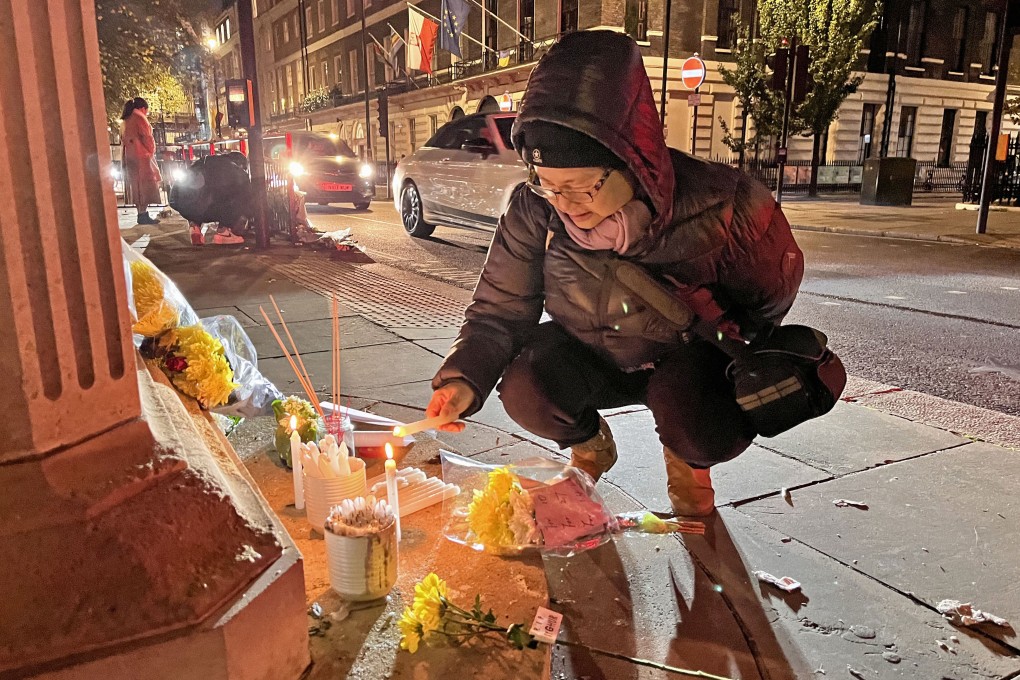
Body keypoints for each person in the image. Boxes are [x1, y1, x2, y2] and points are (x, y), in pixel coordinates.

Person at [423, 31, 805, 517]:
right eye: (549, 188)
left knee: (696, 417)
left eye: (582, 188)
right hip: (592, 357)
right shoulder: (533, 212)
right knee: (526, 384)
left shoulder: (725, 206)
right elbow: (499, 311)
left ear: (633, 163)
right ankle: (591, 446)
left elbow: (771, 296)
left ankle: (689, 464)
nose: (566, 207)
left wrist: (725, 339)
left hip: (684, 364)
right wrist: (462, 382)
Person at [168, 151, 252, 245]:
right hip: (208, 207)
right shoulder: (235, 169)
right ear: (240, 164)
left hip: (182, 205)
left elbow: (177, 192)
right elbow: (248, 194)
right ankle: (223, 232)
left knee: (195, 198)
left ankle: (195, 227)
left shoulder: (202, 161)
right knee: (239, 197)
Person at [120, 97, 161, 225]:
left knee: (136, 187)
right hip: (141, 156)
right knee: (146, 185)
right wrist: (151, 150)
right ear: (143, 108)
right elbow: (147, 137)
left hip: (129, 155)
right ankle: (143, 214)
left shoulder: (126, 120)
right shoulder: (140, 118)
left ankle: (141, 213)